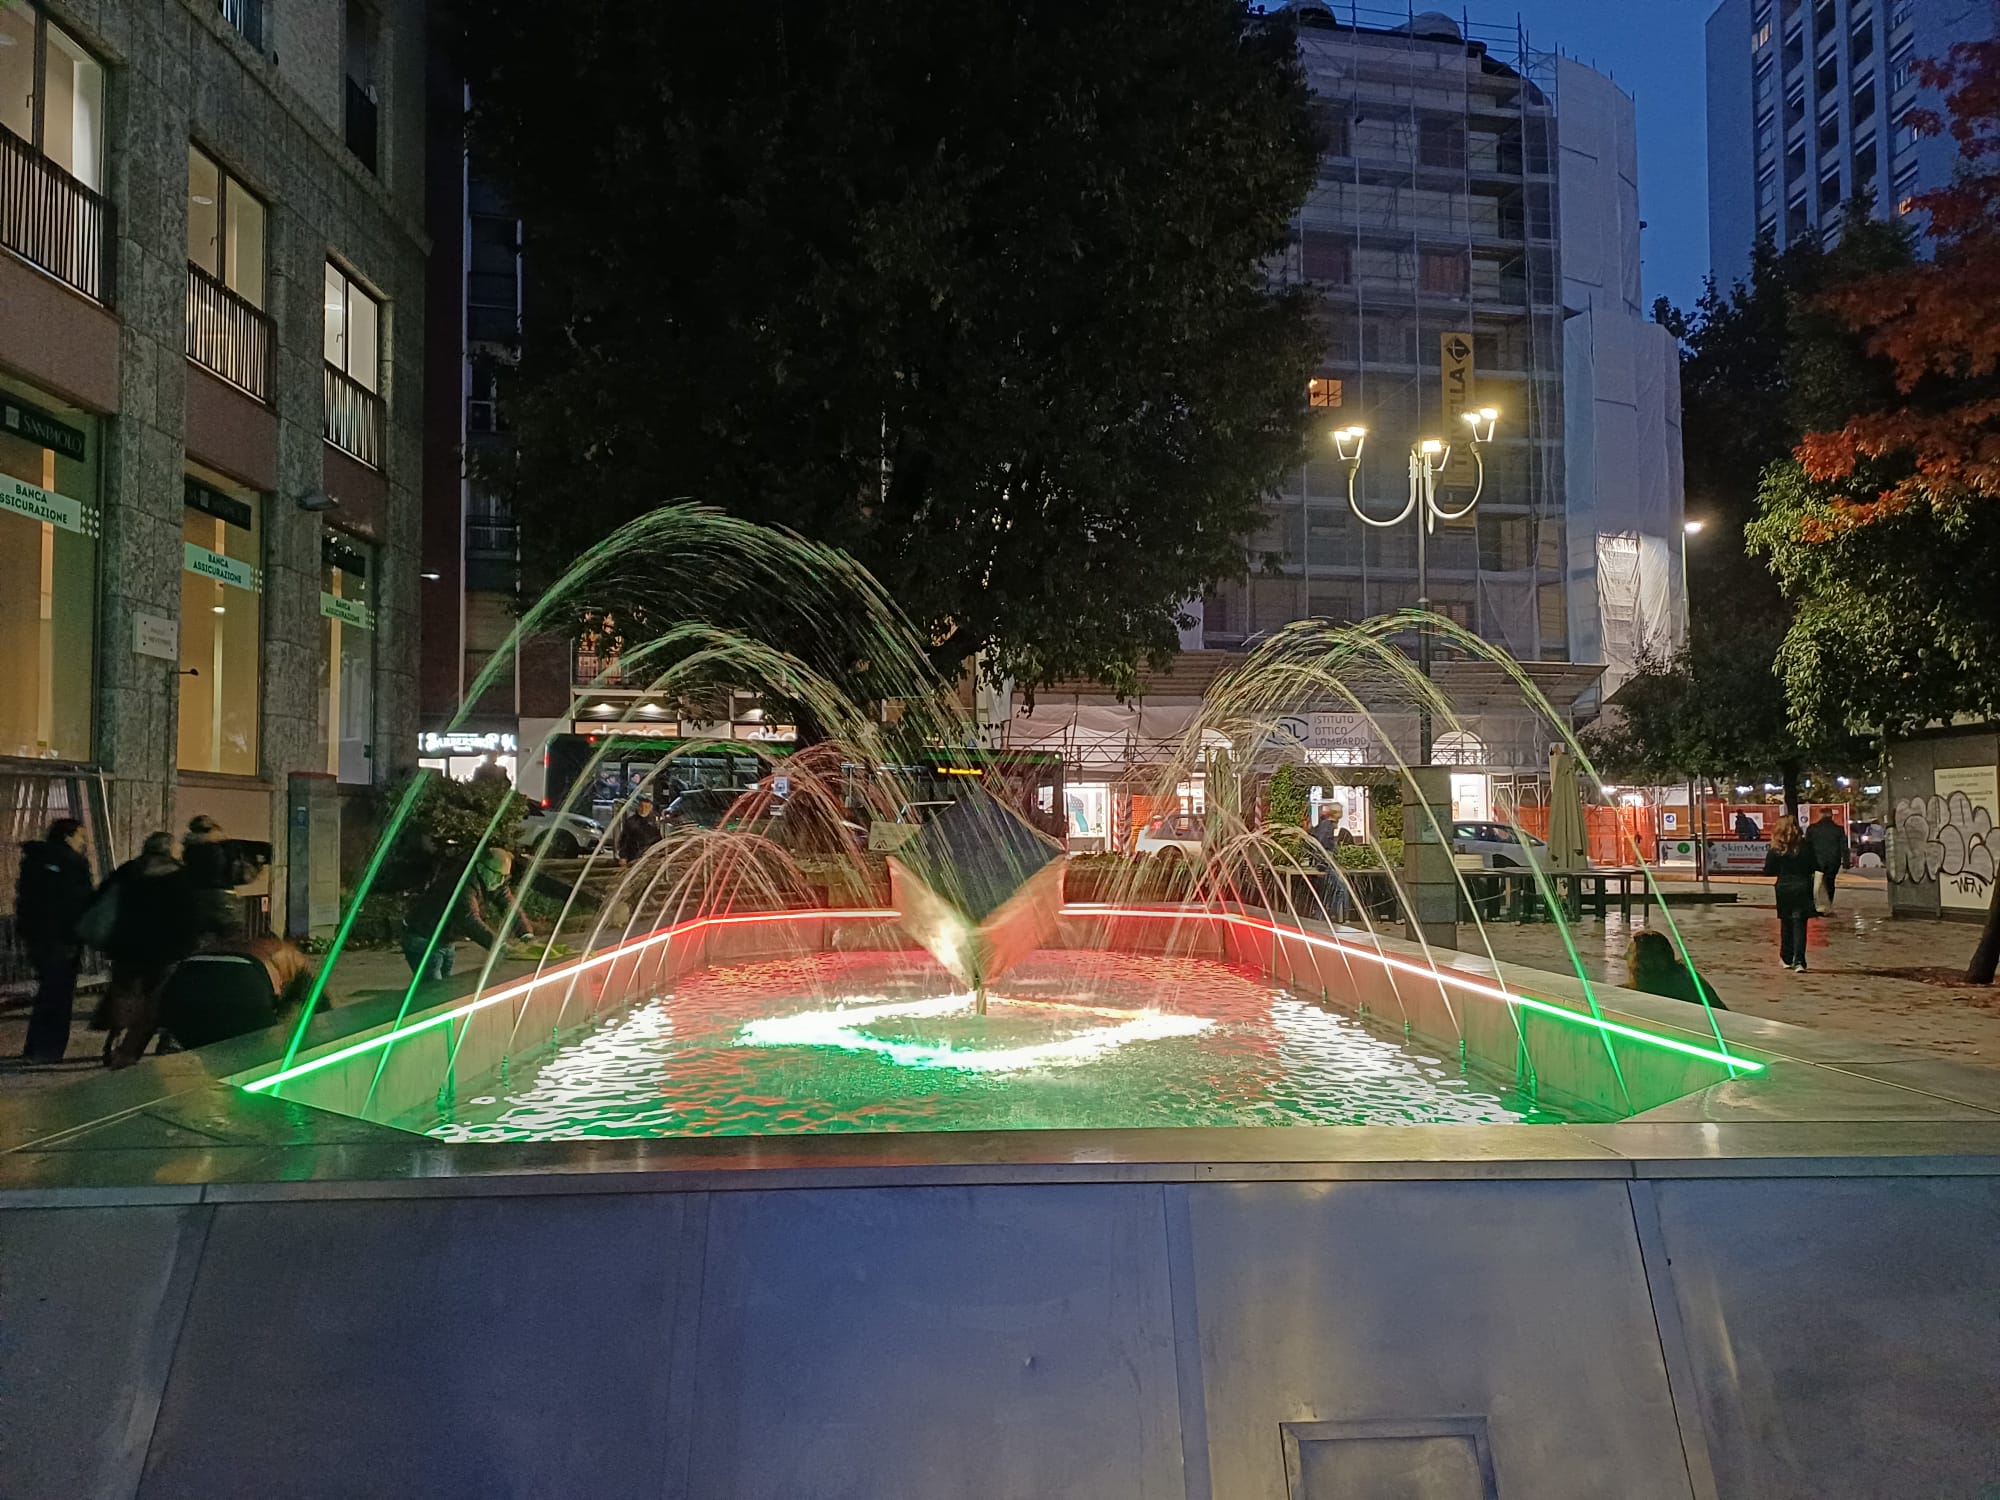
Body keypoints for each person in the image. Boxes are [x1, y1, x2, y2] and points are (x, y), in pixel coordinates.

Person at [99, 832, 199, 1067]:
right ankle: (139, 1049)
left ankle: (115, 1039)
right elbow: (190, 916)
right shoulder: (179, 876)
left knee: (125, 996)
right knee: (157, 1000)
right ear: (170, 851)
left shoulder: (127, 871)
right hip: (166, 951)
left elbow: (104, 901)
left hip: (127, 948)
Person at [14, 818, 94, 1062]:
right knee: (59, 994)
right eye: (82, 836)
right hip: (63, 937)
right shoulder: (72, 863)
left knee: (48, 990)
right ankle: (49, 1049)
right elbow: (77, 902)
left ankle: (35, 1047)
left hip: (37, 935)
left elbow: (27, 901)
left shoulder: (35, 860)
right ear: (68, 836)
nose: (85, 842)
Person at [400, 846, 535, 981]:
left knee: (444, 990)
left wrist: (526, 934)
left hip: (444, 940)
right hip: (423, 940)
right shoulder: (462, 884)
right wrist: (500, 947)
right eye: (497, 875)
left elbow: (509, 907)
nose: (500, 881)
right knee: (432, 993)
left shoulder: (492, 879)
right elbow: (469, 920)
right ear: (480, 868)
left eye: (505, 877)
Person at [1763, 814, 1820, 972]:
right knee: (1800, 923)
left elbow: (1768, 871)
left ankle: (1786, 958)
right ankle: (1800, 961)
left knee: (1786, 923)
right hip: (1802, 886)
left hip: (1784, 887)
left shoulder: (1776, 848)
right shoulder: (1805, 846)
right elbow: (1815, 865)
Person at [181, 815, 246, 944]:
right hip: (224, 897)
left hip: (196, 897)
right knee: (230, 938)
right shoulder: (225, 846)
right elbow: (237, 871)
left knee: (200, 938)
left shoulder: (188, 849)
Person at [1625, 929, 1727, 1010]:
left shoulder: (1678, 987)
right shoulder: (1685, 979)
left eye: (1630, 952)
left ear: (1643, 960)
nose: (1624, 956)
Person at [1310, 810, 1353, 923]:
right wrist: (1326, 859)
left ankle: (1322, 915)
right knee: (1341, 888)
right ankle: (1338, 915)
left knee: (1327, 889)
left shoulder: (1323, 824)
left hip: (1323, 862)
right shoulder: (1327, 825)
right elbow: (1322, 843)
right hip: (1326, 863)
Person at [1806, 808, 1851, 911]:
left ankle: (1816, 905)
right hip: (1833, 860)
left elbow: (1807, 846)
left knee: (1816, 883)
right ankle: (1828, 904)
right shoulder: (1838, 829)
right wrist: (1846, 863)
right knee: (1830, 883)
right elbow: (1844, 847)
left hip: (1816, 860)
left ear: (1820, 815)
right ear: (1832, 816)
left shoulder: (1812, 829)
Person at [617, 794, 663, 864]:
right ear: (638, 807)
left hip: (650, 857)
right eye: (641, 807)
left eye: (647, 807)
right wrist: (623, 857)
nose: (644, 810)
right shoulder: (631, 822)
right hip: (633, 856)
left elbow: (659, 840)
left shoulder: (656, 822)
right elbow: (624, 841)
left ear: (651, 808)